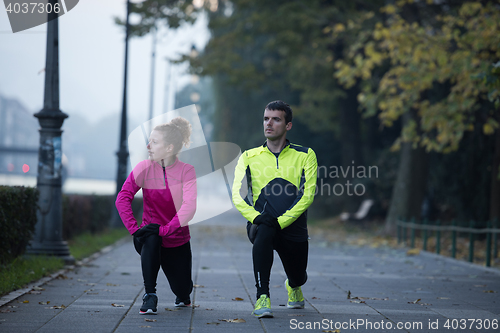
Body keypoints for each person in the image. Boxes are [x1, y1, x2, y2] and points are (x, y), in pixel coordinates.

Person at [232, 100, 318, 318]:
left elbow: (307, 195)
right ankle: (263, 297)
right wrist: (257, 217)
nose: (268, 123)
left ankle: (294, 286)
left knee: (299, 275)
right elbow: (237, 195)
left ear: (288, 125)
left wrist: (282, 221)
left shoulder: (306, 154)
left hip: (293, 225)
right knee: (264, 230)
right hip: (262, 222)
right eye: (266, 118)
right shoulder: (248, 156)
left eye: (276, 119)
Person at [115, 117, 197, 315]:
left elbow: (189, 207)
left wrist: (166, 229)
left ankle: (182, 292)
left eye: (154, 142)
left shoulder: (187, 171)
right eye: (149, 140)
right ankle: (149, 295)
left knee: (183, 291)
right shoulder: (144, 168)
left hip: (177, 241)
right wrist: (135, 230)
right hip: (149, 238)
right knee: (151, 234)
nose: (148, 145)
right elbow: (123, 197)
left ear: (169, 148)